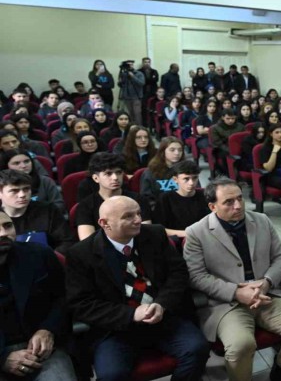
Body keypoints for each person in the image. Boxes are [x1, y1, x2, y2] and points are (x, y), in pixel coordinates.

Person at [183, 177, 281, 381]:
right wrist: (236, 292)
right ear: (212, 206)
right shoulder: (196, 233)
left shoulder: (261, 220)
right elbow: (196, 276)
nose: (238, 206)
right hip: (226, 303)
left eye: (240, 198)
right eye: (229, 202)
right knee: (241, 345)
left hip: (266, 294)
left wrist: (266, 282)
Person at [66, 196, 209, 381]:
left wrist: (162, 304)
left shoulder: (155, 234)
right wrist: (131, 314)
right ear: (104, 223)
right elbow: (82, 304)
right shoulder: (81, 254)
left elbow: (178, 273)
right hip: (116, 329)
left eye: (139, 213)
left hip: (162, 317)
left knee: (197, 349)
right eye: (128, 216)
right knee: (112, 375)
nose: (138, 220)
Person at [0, 211, 77, 381]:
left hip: (41, 347)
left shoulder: (39, 254)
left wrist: (48, 329)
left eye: (7, 226)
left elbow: (64, 297)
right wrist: (2, 358)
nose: (3, 233)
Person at [75, 153, 152, 241]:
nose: (115, 177)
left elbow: (145, 233)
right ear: (96, 178)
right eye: (108, 173)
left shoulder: (138, 199)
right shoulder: (85, 205)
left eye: (119, 172)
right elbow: (87, 240)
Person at [0, 170, 73, 255]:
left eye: (26, 189)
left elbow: (66, 242)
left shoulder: (48, 209)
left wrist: (47, 258)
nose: (22, 195)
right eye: (14, 191)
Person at [152, 160, 210, 242]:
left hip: (204, 239)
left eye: (195, 178)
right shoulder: (165, 198)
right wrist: (188, 234)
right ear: (175, 179)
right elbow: (159, 229)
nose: (191, 183)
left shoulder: (205, 196)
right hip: (176, 241)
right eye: (186, 179)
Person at [140, 137, 184, 205]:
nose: (177, 153)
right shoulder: (150, 172)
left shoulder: (187, 170)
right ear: (163, 151)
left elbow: (196, 191)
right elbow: (146, 197)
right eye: (172, 150)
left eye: (180, 150)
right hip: (159, 207)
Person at [210, 109, 245, 176]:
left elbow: (244, 139)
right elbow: (218, 142)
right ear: (223, 118)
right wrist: (230, 150)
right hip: (222, 148)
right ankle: (228, 174)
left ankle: (241, 173)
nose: (230, 121)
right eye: (228, 118)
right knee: (225, 155)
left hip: (238, 147)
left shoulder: (240, 126)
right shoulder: (215, 128)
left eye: (232, 118)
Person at [117, 60, 145, 126]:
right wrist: (121, 75)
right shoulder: (124, 74)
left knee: (137, 113)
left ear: (133, 65)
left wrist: (133, 76)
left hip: (136, 96)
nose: (130, 66)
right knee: (130, 114)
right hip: (127, 97)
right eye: (128, 65)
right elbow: (120, 85)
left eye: (131, 64)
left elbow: (141, 83)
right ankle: (132, 127)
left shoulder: (139, 73)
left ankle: (139, 127)